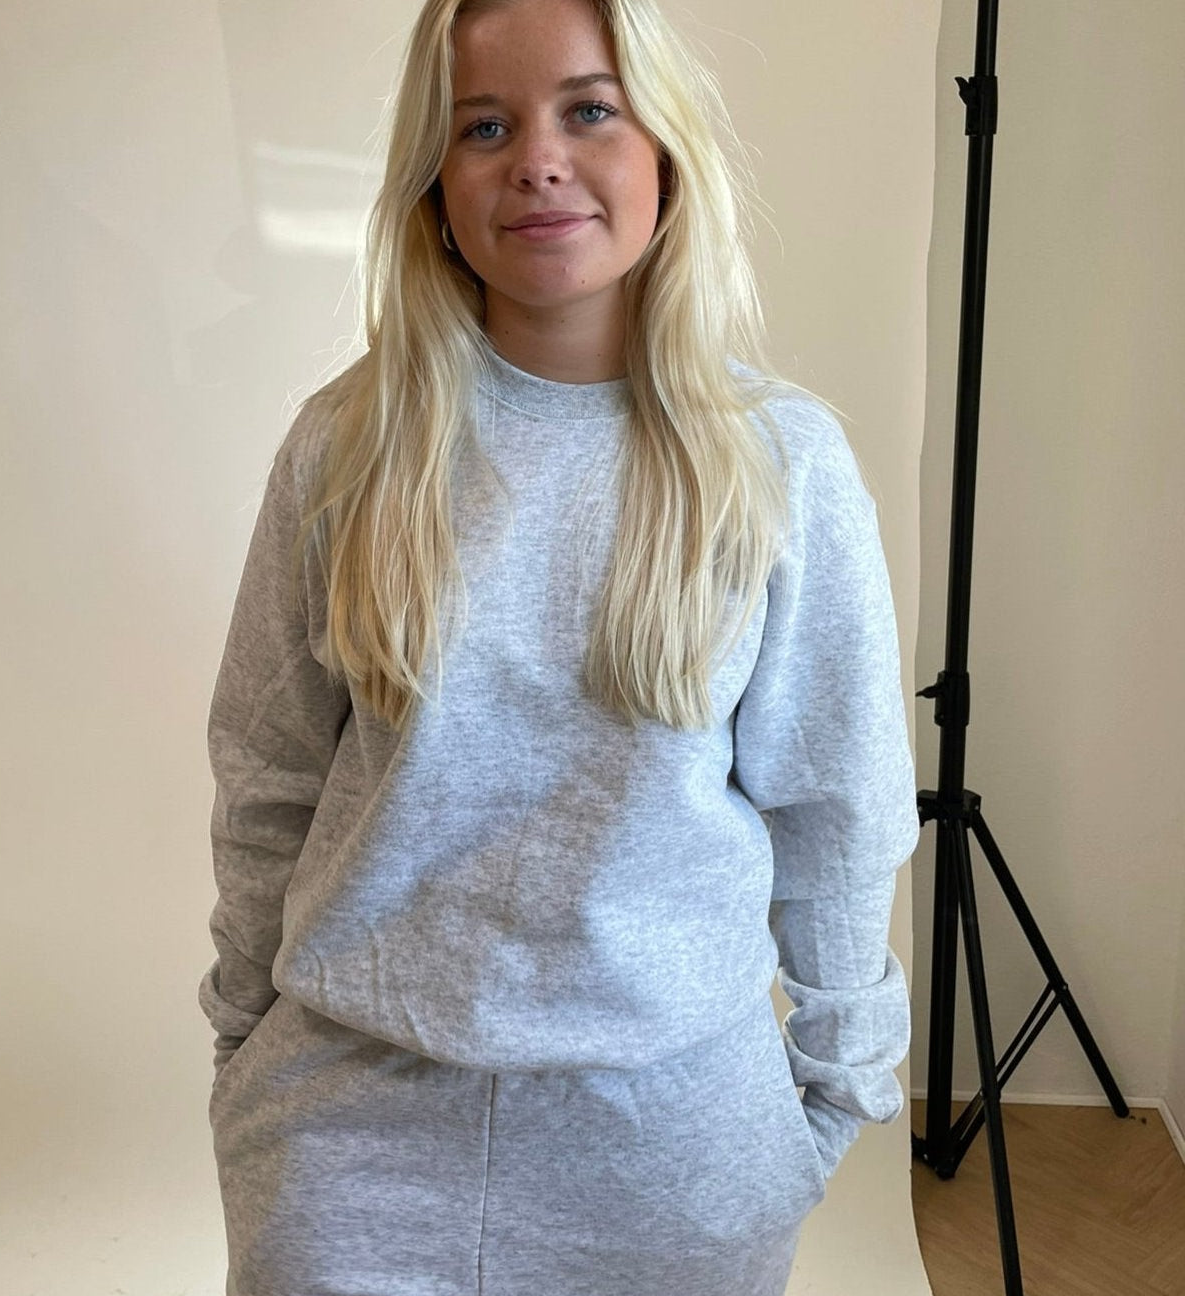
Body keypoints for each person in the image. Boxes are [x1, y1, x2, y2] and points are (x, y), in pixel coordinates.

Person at [197, 0, 919, 1292]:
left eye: (589, 110)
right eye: (485, 126)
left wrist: (832, 1097)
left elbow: (839, 811)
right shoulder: (345, 451)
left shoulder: (779, 466)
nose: (538, 159)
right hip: (352, 1136)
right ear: (433, 184)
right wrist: (244, 1049)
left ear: (666, 153)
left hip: (674, 1155)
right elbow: (269, 777)